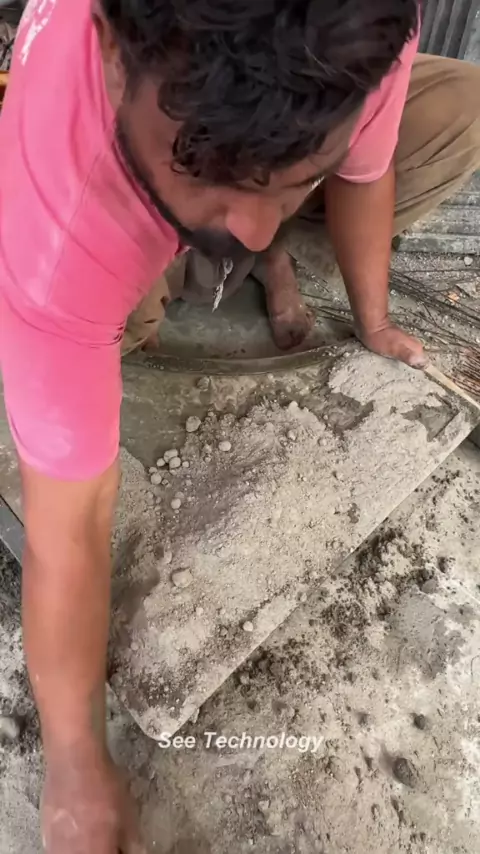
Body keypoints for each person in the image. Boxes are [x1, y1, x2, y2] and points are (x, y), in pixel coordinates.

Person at [0, 1, 478, 851]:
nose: (253, 225)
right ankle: (178, 260)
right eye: (211, 169)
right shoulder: (56, 214)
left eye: (294, 180)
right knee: (114, 317)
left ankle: (246, 208)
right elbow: (68, 530)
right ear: (111, 50)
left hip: (198, 146)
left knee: (460, 111)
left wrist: (373, 320)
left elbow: (363, 172)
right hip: (97, 209)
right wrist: (75, 764)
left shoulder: (367, 23)